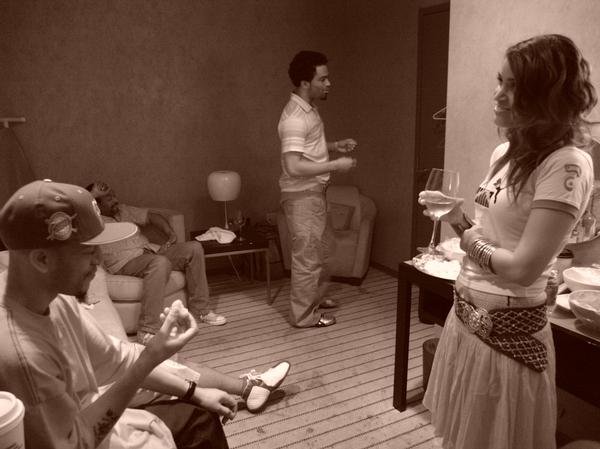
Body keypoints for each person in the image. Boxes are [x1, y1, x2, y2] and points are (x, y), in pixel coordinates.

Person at [0, 180, 291, 449]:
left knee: (199, 415)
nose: (99, 261)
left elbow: (119, 359)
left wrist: (193, 390)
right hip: (79, 438)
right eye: (88, 253)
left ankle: (246, 388)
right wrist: (149, 360)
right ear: (42, 259)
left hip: (84, 418)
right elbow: (74, 444)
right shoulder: (22, 355)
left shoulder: (58, 301)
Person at [419, 34, 597, 449]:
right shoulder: (504, 153)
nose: (498, 94)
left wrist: (469, 241)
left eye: (514, 86)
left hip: (509, 335)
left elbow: (523, 268)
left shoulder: (567, 163)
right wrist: (458, 219)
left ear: (548, 97)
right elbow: (488, 236)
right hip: (466, 316)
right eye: (500, 80)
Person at [86, 181, 226, 345]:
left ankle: (201, 310)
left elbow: (152, 216)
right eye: (109, 199)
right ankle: (147, 330)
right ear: (96, 203)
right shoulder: (92, 220)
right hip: (125, 262)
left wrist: (170, 233)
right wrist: (92, 197)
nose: (115, 200)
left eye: (114, 195)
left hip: (150, 252)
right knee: (160, 263)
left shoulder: (123, 210)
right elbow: (79, 215)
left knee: (193, 248)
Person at [278, 50, 358, 328]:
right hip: (302, 197)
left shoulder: (308, 110)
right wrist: (336, 165)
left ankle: (314, 297)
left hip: (315, 194)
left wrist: (334, 146)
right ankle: (303, 317)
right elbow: (293, 166)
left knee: (325, 250)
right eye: (322, 79)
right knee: (307, 259)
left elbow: (307, 149)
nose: (328, 83)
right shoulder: (295, 119)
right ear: (305, 83)